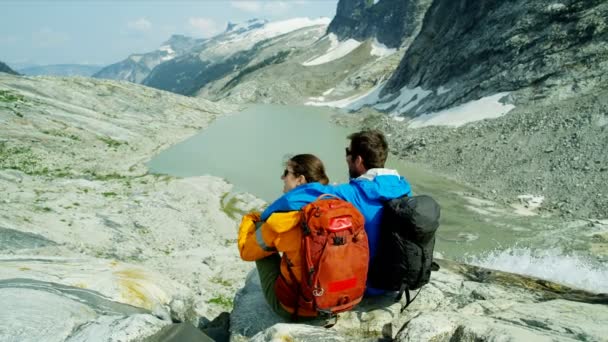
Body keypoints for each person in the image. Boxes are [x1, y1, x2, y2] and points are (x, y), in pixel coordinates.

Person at [261, 130, 412, 295]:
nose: (346, 158)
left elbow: (294, 198)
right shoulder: (403, 189)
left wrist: (263, 216)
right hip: (394, 285)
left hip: (364, 287)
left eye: (348, 153)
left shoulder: (350, 194)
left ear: (358, 160)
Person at [237, 154, 330, 320]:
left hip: (298, 308)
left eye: (286, 173)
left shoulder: (285, 220)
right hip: (335, 300)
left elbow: (246, 252)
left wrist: (249, 220)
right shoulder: (336, 206)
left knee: (260, 232)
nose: (282, 177)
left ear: (300, 180)